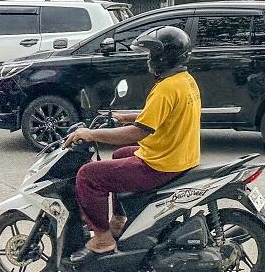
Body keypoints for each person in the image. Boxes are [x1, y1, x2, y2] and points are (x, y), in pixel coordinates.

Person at [63, 26, 202, 266]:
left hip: (161, 164)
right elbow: (162, 116)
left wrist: (91, 134)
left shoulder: (165, 88)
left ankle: (103, 240)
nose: (148, 59)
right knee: (119, 155)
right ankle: (119, 219)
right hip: (178, 156)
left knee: (88, 176)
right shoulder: (185, 81)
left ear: (164, 56)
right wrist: (126, 116)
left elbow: (137, 133)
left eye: (152, 54)